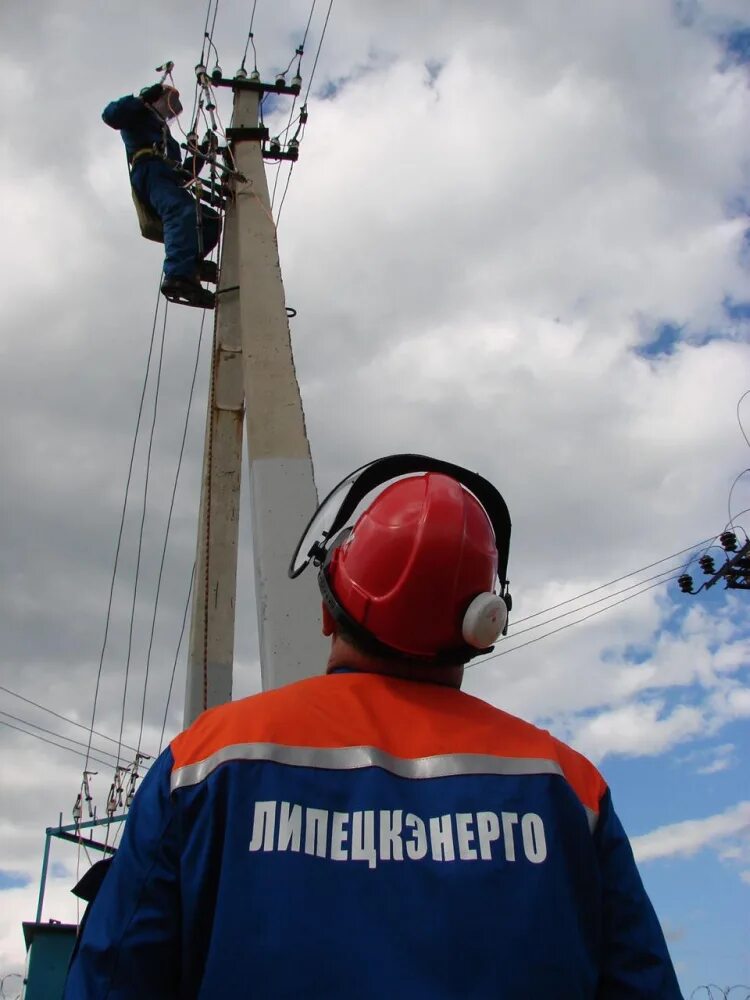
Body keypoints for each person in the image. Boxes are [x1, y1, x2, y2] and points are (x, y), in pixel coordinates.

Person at [64, 454, 682, 998]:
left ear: (329, 609)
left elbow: (116, 976)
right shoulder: (571, 789)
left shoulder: (204, 762)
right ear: (481, 627)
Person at [102, 83, 221, 307]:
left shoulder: (168, 140)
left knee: (209, 219)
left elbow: (184, 175)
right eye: (168, 105)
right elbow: (111, 115)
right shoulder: (136, 116)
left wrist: (202, 153)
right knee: (180, 211)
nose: (169, 113)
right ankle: (177, 274)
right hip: (149, 172)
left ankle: (191, 265)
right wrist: (142, 99)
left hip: (168, 179)